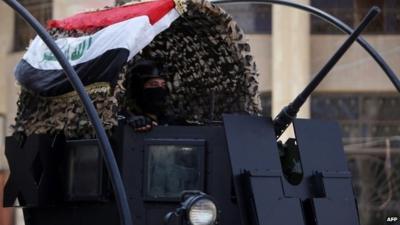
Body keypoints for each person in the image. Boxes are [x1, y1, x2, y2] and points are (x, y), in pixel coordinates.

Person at [124, 60, 170, 132]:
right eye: (154, 84)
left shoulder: (169, 121)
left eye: (163, 85)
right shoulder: (126, 119)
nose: (160, 89)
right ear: (138, 88)